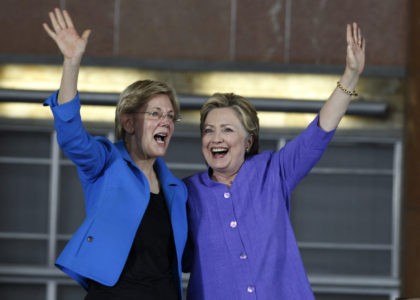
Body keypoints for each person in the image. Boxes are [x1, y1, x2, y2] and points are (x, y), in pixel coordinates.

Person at [182, 22, 365, 299]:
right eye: (208, 131)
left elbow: (319, 132)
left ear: (248, 141)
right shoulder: (185, 193)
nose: (215, 138)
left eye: (227, 130)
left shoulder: (272, 172)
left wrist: (350, 77)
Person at [42, 8, 187, 300]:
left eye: (171, 117)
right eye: (156, 113)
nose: (166, 122)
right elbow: (71, 136)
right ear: (128, 121)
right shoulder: (106, 162)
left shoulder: (177, 189)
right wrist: (71, 63)